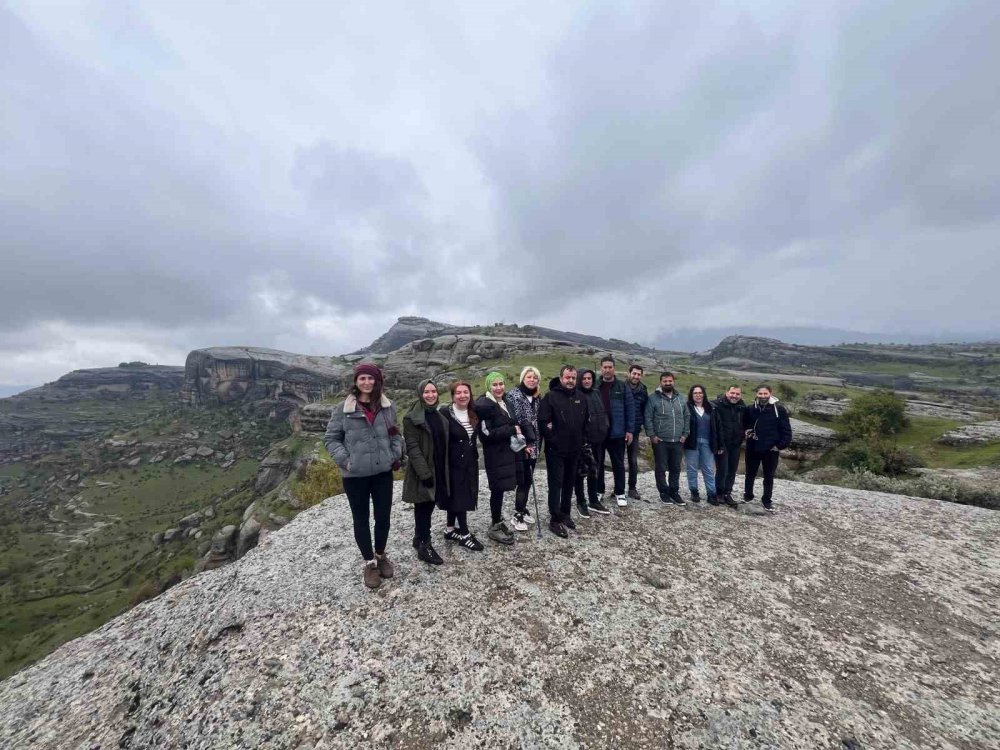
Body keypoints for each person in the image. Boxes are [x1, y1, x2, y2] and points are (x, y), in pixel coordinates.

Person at [324, 363, 403, 590]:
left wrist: (394, 453)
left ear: (377, 381)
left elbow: (395, 433)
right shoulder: (343, 409)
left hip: (382, 473)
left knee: (383, 517)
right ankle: (369, 563)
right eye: (363, 378)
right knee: (361, 519)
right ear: (356, 381)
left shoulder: (387, 407)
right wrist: (346, 461)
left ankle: (380, 555)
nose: (367, 382)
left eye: (371, 378)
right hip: (355, 476)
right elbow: (331, 439)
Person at [538, 365, 590, 538]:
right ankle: (555, 519)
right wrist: (553, 440)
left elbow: (585, 421)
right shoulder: (551, 397)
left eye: (573, 378)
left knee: (569, 482)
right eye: (567, 377)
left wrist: (582, 441)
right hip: (556, 450)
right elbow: (543, 422)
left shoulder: (581, 397)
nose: (570, 381)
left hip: (574, 449)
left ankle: (565, 513)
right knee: (556, 484)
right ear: (561, 378)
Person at [402, 379, 447, 565]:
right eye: (426, 392)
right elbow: (412, 448)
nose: (430, 395)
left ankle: (417, 538)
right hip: (424, 471)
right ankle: (424, 545)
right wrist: (425, 473)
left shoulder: (437, 414)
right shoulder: (411, 417)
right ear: (420, 394)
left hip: (438, 467)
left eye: (433, 391)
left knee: (427, 505)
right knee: (423, 506)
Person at [439, 381, 485, 549]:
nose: (462, 395)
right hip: (452, 464)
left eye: (466, 392)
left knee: (458, 496)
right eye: (458, 393)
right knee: (460, 498)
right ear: (452, 396)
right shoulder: (444, 413)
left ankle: (450, 529)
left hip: (470, 462)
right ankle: (465, 535)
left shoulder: (473, 412)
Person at [475, 372, 518, 545]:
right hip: (494, 455)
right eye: (495, 385)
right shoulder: (484, 405)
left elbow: (512, 422)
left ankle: (498, 520)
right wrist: (512, 430)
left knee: (501, 488)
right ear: (488, 386)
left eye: (501, 384)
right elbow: (486, 434)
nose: (499, 388)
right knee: (497, 488)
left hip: (507, 452)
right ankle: (494, 525)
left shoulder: (505, 401)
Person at [742, 384, 793, 513]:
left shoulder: (779, 410)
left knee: (768, 477)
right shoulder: (750, 409)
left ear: (771, 393)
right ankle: (748, 496)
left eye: (765, 394)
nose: (763, 396)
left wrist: (779, 446)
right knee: (750, 474)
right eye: (760, 394)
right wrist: (747, 431)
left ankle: (766, 500)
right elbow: (745, 424)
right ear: (756, 394)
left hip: (771, 449)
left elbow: (786, 431)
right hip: (753, 447)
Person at [644, 372, 689, 506]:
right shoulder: (653, 399)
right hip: (661, 441)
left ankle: (674, 492)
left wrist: (685, 434)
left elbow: (687, 416)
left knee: (676, 468)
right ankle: (663, 492)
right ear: (660, 382)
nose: (668, 383)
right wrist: (652, 435)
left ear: (673, 381)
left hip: (678, 440)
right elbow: (648, 417)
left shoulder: (681, 398)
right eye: (665, 381)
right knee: (661, 468)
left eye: (670, 381)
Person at [505, 366, 541, 531]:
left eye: (535, 377)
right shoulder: (514, 395)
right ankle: (517, 514)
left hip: (534, 444)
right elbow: (514, 421)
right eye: (529, 377)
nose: (532, 380)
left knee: (528, 479)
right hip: (521, 445)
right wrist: (523, 444)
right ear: (522, 378)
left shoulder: (536, 396)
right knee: (523, 480)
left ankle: (522, 508)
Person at [597, 356, 635, 507]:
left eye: (610, 367)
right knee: (597, 464)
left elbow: (630, 409)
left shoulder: (622, 386)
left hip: (617, 433)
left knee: (618, 464)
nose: (607, 370)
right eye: (605, 367)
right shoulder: (596, 386)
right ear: (601, 368)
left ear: (614, 368)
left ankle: (620, 493)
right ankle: (598, 490)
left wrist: (630, 430)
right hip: (599, 433)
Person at [574, 368, 612, 518]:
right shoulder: (576, 395)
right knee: (580, 473)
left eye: (589, 378)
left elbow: (602, 413)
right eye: (583, 378)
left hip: (598, 440)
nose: (587, 381)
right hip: (584, 442)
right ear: (579, 380)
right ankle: (581, 502)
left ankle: (593, 501)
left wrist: (605, 427)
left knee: (594, 472)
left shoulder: (596, 393)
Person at [684, 384, 722, 504]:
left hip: (707, 443)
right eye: (695, 393)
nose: (698, 395)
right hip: (691, 443)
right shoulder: (687, 407)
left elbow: (718, 428)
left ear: (704, 394)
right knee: (691, 469)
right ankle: (694, 491)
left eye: (700, 393)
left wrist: (720, 444)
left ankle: (711, 494)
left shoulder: (712, 408)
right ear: (691, 395)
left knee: (709, 469)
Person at [712, 385, 746, 509]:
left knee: (732, 470)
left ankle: (727, 493)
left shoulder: (742, 407)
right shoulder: (717, 405)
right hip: (722, 444)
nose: (734, 396)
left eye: (737, 394)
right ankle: (719, 493)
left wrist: (744, 435)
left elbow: (745, 423)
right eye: (732, 393)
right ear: (727, 392)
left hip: (736, 444)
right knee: (722, 469)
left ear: (740, 395)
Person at [625, 364, 649, 501]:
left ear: (641, 375)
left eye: (638, 374)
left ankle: (632, 488)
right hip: (620, 430)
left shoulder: (643, 390)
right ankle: (619, 488)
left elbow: (645, 409)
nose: (636, 376)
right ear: (629, 373)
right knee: (618, 461)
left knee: (633, 460)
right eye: (634, 373)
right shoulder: (621, 387)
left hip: (634, 430)